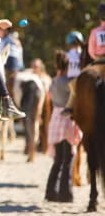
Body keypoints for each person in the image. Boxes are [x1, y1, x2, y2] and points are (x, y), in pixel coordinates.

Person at [45, 50, 82, 202]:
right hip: (67, 119)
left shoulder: (53, 81)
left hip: (56, 118)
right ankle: (65, 193)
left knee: (58, 159)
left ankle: (50, 192)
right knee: (69, 158)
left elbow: (49, 98)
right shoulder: (70, 82)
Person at [0, 28, 24, 97]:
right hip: (14, 63)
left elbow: (2, 53)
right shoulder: (8, 40)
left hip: (10, 62)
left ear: (5, 31)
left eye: (0, 30)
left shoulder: (8, 40)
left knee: (7, 84)